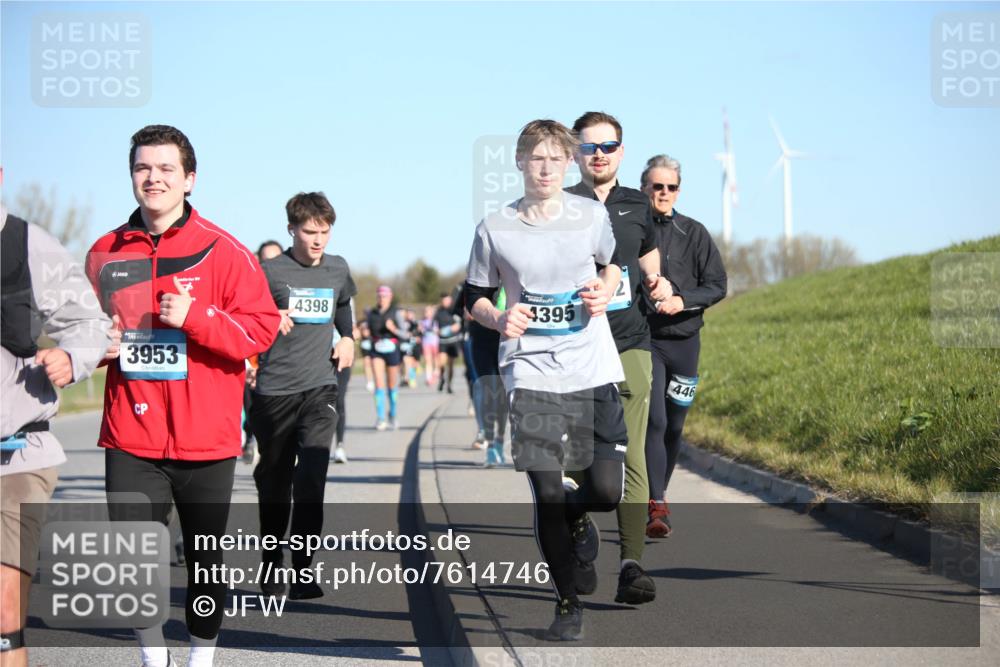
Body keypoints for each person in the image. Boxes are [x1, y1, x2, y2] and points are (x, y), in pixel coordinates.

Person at [86, 125, 280, 667]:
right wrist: (96, 346)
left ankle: (201, 657)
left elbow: (259, 331)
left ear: (190, 179)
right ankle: (154, 658)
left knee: (203, 561)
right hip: (131, 433)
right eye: (143, 168)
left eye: (167, 169)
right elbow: (83, 330)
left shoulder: (223, 251)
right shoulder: (103, 254)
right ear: (132, 176)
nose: (154, 178)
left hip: (206, 439)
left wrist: (197, 317)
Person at [465, 119, 627, 641]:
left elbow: (613, 266)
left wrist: (604, 289)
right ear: (519, 162)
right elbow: (474, 296)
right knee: (547, 488)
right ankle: (566, 603)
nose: (547, 168)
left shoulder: (590, 216)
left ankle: (583, 517)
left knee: (603, 491)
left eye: (557, 158)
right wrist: (497, 318)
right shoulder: (495, 227)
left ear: (570, 163)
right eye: (537, 158)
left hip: (590, 365)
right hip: (529, 369)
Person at [1, 195, 110, 667]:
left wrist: (72, 356)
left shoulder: (26, 244)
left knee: (4, 612)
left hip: (16, 455)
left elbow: (89, 323)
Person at [565, 112, 670, 604]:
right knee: (583, 455)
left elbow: (649, 261)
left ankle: (631, 565)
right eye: (590, 147)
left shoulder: (637, 206)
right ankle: (578, 519)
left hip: (631, 343)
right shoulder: (561, 207)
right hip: (574, 348)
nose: (599, 154)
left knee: (630, 448)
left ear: (622, 152)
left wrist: (660, 282)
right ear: (575, 154)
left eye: (608, 146)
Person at [251, 191, 356, 599]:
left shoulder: (337, 267)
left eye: (324, 232)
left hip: (320, 388)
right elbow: (239, 313)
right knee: (275, 485)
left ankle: (303, 571)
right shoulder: (269, 272)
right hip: (275, 391)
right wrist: (267, 315)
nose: (318, 241)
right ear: (291, 229)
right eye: (310, 232)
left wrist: (348, 337)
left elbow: (344, 303)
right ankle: (272, 563)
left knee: (311, 479)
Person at [640, 154, 727, 538]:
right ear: (644, 188)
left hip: (686, 342)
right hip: (647, 340)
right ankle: (656, 504)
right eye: (656, 186)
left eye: (670, 187)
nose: (663, 193)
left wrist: (682, 299)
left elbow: (718, 285)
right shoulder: (633, 232)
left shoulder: (695, 233)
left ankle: (660, 492)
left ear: (678, 190)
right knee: (655, 421)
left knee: (675, 425)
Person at [241, 241, 284, 465]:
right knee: (252, 408)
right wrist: (250, 366)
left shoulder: (291, 291)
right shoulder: (248, 290)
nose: (270, 265)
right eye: (266, 260)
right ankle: (250, 438)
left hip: (284, 367)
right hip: (254, 361)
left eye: (276, 259)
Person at [367, 286, 402, 430]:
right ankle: (381, 418)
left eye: (384, 296)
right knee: (379, 385)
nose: (382, 298)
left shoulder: (396, 312)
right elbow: (368, 331)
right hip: (377, 350)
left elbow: (405, 334)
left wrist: (393, 329)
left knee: (392, 385)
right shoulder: (372, 313)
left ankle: (393, 415)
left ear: (390, 297)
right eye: (379, 296)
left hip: (392, 349)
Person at [331, 322, 359, 464]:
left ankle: (339, 446)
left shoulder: (345, 302)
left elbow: (354, 330)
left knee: (339, 400)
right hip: (319, 357)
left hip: (340, 358)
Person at [434, 291, 462, 393]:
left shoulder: (455, 311)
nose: (446, 302)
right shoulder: (438, 312)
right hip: (442, 341)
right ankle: (442, 378)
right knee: (442, 363)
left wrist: (452, 328)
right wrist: (436, 330)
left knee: (451, 365)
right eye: (444, 300)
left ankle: (449, 385)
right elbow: (433, 325)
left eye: (447, 300)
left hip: (453, 341)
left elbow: (459, 325)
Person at [418, 305, 439, 386]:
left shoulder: (435, 321)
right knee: (427, 360)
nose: (427, 313)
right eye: (425, 312)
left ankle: (436, 372)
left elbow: (437, 331)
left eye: (428, 312)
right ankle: (428, 377)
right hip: (426, 342)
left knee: (435, 359)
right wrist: (420, 329)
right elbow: (420, 331)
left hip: (434, 343)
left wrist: (435, 330)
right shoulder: (422, 321)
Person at [358, 319, 376, 392]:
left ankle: (375, 379)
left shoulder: (373, 321)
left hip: (373, 343)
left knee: (374, 363)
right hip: (365, 344)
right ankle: (369, 381)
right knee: (366, 364)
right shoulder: (361, 322)